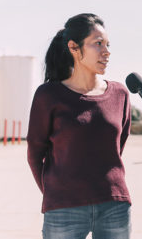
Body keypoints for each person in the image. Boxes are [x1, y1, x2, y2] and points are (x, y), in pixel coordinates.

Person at [27, 13, 132, 239]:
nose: (107, 51)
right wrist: (54, 194)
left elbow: (116, 147)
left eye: (107, 44)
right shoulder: (49, 95)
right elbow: (35, 153)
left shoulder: (120, 94)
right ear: (74, 48)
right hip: (64, 208)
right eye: (98, 44)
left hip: (114, 205)